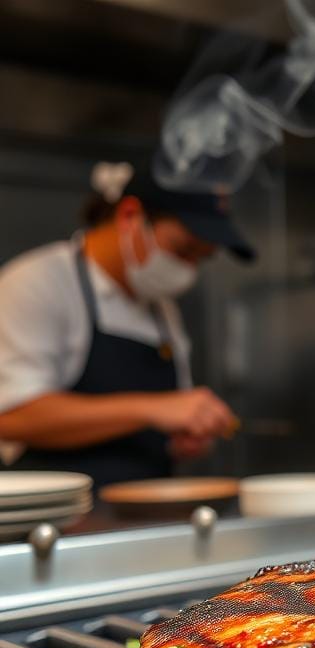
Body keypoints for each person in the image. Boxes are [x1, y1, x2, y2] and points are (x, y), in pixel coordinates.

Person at [0, 161, 254, 487]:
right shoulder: (39, 283)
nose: (189, 270)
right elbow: (10, 415)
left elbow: (162, 419)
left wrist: (178, 438)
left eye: (200, 259)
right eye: (183, 250)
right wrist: (150, 409)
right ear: (130, 216)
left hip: (146, 518)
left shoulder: (162, 309)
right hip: (56, 526)